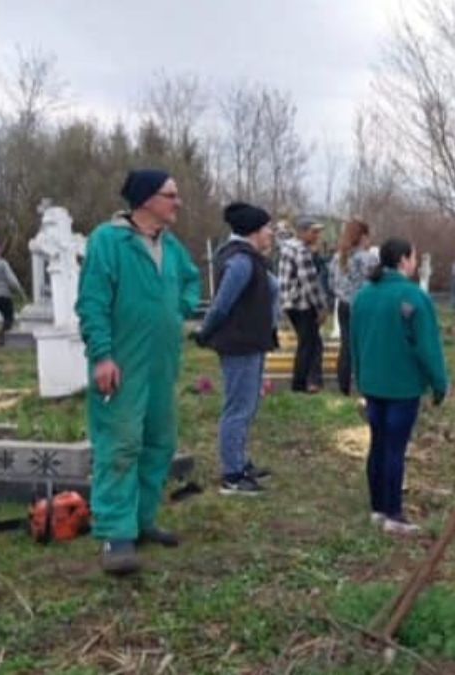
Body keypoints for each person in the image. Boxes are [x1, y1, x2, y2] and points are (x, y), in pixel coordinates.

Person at [75, 169, 201, 575]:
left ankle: (142, 520)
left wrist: (178, 309)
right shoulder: (109, 242)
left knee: (158, 442)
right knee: (121, 443)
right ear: (146, 199)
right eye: (171, 195)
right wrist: (103, 356)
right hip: (122, 361)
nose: (178, 202)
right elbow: (92, 303)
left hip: (162, 363)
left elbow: (190, 281)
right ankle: (115, 533)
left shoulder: (171, 246)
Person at [350, 237, 448, 534]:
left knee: (377, 444)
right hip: (402, 386)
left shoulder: (364, 296)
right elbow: (427, 346)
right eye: (413, 257)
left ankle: (378, 508)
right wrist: (439, 383)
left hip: (372, 383)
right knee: (395, 448)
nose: (415, 263)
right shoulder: (413, 297)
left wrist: (360, 375)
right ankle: (394, 513)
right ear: (404, 260)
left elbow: (354, 342)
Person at [194, 202, 279, 496]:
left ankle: (241, 463)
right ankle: (232, 475)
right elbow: (221, 304)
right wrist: (204, 332)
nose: (271, 232)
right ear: (254, 230)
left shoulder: (250, 258)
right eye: (268, 227)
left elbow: (272, 288)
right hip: (239, 344)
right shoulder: (240, 261)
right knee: (238, 408)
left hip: (251, 341)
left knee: (248, 405)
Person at [279, 216, 329, 393]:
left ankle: (304, 382)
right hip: (302, 303)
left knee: (309, 343)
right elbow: (309, 282)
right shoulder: (301, 251)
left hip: (290, 302)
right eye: (313, 232)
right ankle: (300, 384)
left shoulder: (288, 247)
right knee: (308, 344)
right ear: (302, 232)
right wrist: (321, 306)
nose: (317, 235)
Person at [329, 219, 379, 395]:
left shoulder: (338, 257)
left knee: (346, 345)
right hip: (363, 306)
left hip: (343, 305)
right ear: (364, 236)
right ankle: (365, 385)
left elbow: (331, 282)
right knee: (364, 345)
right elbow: (377, 281)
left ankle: (343, 387)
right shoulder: (368, 258)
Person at [0, 240, 27, 348]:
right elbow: (12, 280)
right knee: (9, 318)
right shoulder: (3, 263)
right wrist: (21, 292)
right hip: (3, 296)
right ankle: (2, 333)